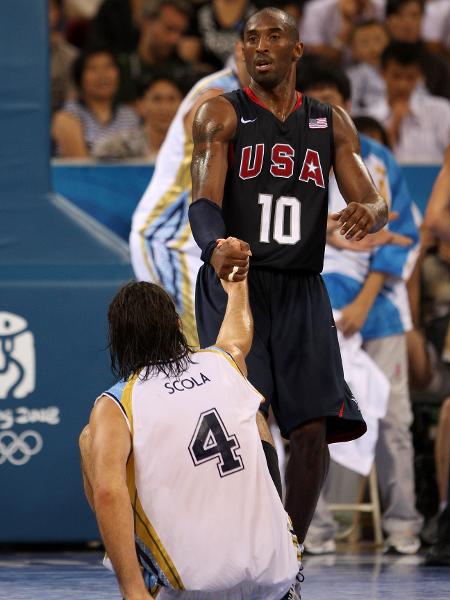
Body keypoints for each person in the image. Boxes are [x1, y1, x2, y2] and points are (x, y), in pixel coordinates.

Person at [188, 7, 389, 545]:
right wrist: (216, 247)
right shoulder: (219, 115)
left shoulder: (330, 121)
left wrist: (369, 212)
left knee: (311, 428)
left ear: (296, 49)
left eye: (274, 36)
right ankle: (252, 540)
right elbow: (202, 203)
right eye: (251, 38)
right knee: (245, 421)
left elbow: (371, 197)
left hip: (303, 288)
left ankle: (289, 550)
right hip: (238, 285)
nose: (260, 46)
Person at [79, 247, 302, 600]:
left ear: (119, 340)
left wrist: (131, 590)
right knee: (254, 416)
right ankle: (287, 554)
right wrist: (237, 284)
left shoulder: (117, 402)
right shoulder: (222, 364)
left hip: (190, 587)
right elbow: (238, 335)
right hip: (273, 576)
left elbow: (108, 492)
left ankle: (143, 583)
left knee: (92, 441)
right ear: (175, 325)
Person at [296, 62, 423, 555]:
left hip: (380, 312)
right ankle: (315, 528)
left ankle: (404, 523)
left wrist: (367, 298)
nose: (326, 111)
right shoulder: (298, 163)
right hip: (317, 306)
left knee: (395, 421)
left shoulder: (378, 161)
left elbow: (403, 236)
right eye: (318, 100)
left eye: (334, 101)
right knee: (311, 420)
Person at [130, 41, 249, 346]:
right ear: (236, 49)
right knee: (198, 353)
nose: (260, 51)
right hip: (170, 241)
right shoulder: (214, 97)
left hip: (202, 246)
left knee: (216, 352)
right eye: (251, 41)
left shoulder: (257, 98)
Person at [364, 41, 450, 163]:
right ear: (382, 73)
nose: (402, 85)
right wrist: (394, 124)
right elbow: (368, 163)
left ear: (420, 76)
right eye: (396, 76)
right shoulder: (369, 116)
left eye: (410, 77)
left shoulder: (441, 110)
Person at [52, 46, 141, 159]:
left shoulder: (129, 115)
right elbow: (79, 166)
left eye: (108, 67)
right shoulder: (68, 115)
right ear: (80, 77)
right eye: (93, 68)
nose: (102, 75)